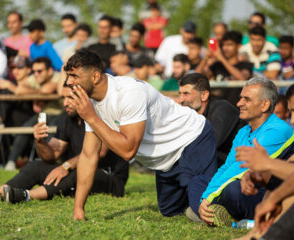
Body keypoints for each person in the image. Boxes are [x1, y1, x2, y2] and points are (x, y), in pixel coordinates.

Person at [63, 48, 218, 220]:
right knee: (170, 210)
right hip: (164, 160)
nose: (69, 82)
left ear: (95, 77)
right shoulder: (91, 103)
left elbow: (128, 151)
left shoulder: (128, 93)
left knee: (204, 208)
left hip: (190, 139)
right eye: (68, 76)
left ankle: (231, 194)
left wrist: (91, 118)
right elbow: (88, 155)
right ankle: (197, 190)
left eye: (74, 76)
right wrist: (78, 209)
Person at [0, 87, 129, 203]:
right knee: (36, 166)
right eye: (63, 98)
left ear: (84, 97)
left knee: (78, 172)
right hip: (78, 172)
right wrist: (40, 141)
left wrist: (66, 166)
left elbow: (100, 151)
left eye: (70, 98)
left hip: (112, 179)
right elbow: (52, 155)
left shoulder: (100, 114)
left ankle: (25, 195)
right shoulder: (66, 118)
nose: (65, 103)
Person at [186, 77, 294, 226]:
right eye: (240, 98)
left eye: (246, 99)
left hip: (267, 193)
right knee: (197, 181)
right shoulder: (244, 131)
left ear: (264, 105)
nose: (239, 103)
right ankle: (211, 213)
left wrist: (208, 197)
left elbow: (243, 168)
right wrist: (205, 198)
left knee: (234, 189)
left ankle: (212, 214)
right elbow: (228, 166)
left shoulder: (278, 130)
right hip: (246, 184)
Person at [234, 81, 294, 240]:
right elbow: (293, 166)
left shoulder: (278, 130)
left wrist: (267, 164)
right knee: (275, 178)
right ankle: (258, 233)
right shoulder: (243, 132)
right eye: (292, 113)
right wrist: (259, 174)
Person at [3, 57, 62, 170]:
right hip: (44, 114)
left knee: (48, 132)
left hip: (61, 114)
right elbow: (20, 90)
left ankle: (47, 163)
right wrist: (38, 96)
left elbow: (47, 89)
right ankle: (11, 162)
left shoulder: (58, 77)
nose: (36, 74)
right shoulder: (34, 79)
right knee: (25, 129)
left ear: (50, 71)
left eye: (39, 71)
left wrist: (38, 96)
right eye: (34, 71)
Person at [178, 73, 245, 166]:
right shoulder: (191, 114)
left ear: (204, 95)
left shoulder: (222, 109)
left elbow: (210, 143)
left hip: (241, 166)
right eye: (180, 94)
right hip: (222, 164)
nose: (180, 100)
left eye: (186, 94)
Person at [196, 30, 253, 106]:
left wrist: (221, 58)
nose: (225, 48)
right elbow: (195, 77)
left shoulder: (245, 65)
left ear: (238, 46)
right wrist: (205, 58)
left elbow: (242, 78)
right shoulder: (217, 65)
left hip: (236, 110)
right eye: (223, 45)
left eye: (229, 45)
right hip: (216, 108)